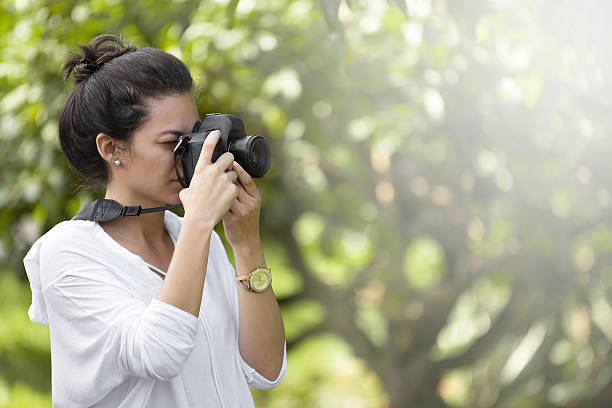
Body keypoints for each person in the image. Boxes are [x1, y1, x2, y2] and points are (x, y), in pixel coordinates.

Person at [23, 34, 286, 407]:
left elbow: (265, 370)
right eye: (171, 144)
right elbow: (159, 353)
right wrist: (198, 223)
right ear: (111, 148)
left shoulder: (195, 239)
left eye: (194, 138)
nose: (192, 156)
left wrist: (246, 244)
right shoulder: (67, 253)